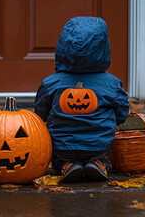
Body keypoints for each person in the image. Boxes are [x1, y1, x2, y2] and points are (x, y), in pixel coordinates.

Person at [34, 16, 129, 182]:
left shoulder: (51, 82)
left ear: (63, 47)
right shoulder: (112, 83)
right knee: (103, 154)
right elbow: (122, 112)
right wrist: (114, 122)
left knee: (58, 157)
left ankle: (66, 165)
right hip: (98, 145)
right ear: (104, 49)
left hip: (62, 145)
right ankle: (99, 164)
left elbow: (40, 112)